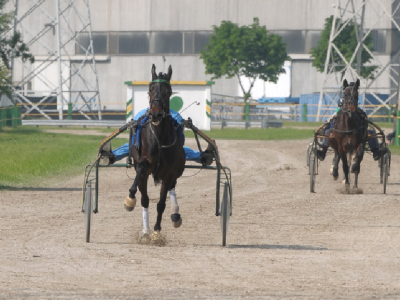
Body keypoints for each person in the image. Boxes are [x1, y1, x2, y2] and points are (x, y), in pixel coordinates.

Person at [102, 107, 214, 166]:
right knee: (183, 151)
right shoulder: (173, 114)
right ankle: (202, 157)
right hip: (161, 150)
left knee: (131, 147)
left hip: (159, 151)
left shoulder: (172, 114)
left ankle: (112, 157)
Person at [317, 86, 383, 162]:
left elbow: (363, 117)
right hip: (339, 132)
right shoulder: (338, 111)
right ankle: (323, 151)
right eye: (343, 105)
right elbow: (331, 118)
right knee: (327, 132)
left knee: (371, 132)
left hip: (355, 133)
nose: (345, 107)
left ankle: (375, 151)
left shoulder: (358, 111)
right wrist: (328, 122)